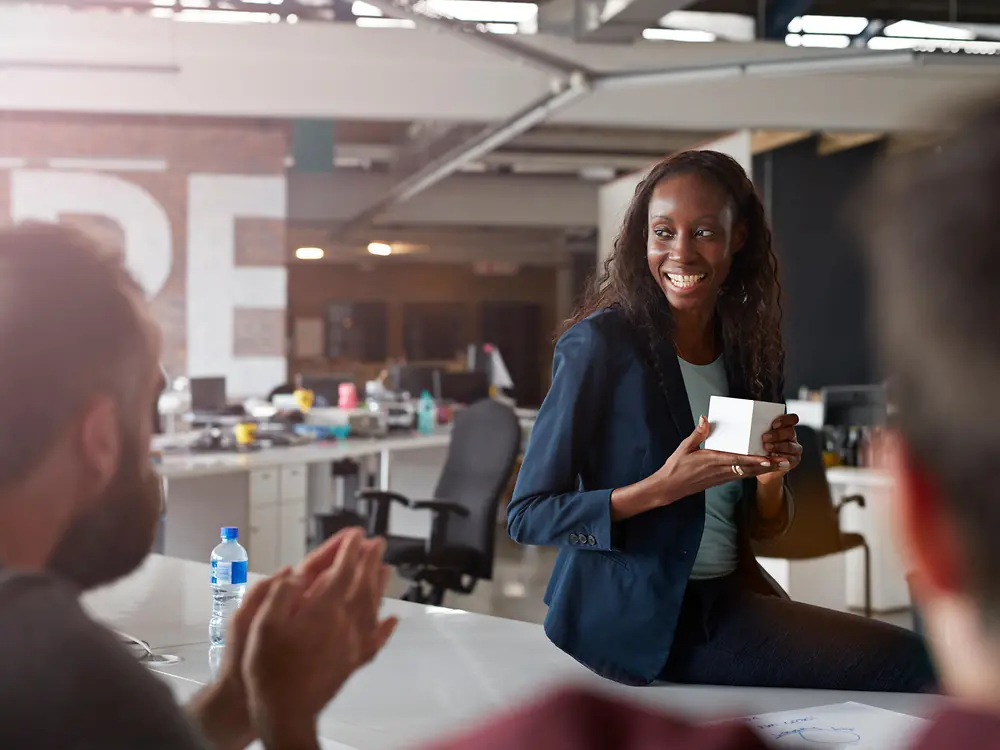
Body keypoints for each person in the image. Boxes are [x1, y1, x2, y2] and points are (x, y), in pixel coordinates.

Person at [507, 150, 933, 691]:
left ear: (739, 238)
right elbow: (528, 515)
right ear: (644, 239)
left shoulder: (747, 351)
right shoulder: (600, 346)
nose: (680, 252)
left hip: (729, 595)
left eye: (704, 231)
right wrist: (659, 489)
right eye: (663, 232)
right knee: (915, 665)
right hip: (650, 620)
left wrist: (771, 477)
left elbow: (762, 527)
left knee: (914, 662)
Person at [0, 222, 398, 749]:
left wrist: (238, 698)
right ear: (98, 438)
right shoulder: (61, 671)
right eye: (148, 411)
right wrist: (289, 719)